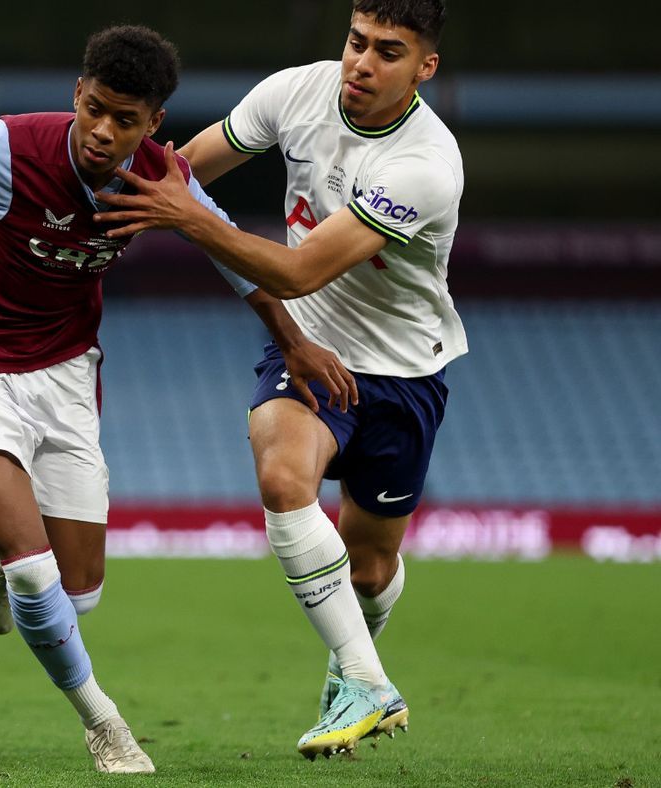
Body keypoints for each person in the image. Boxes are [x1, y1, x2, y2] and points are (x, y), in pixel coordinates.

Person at [0, 25, 350, 774]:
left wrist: (291, 340)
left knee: (77, 595)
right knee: (35, 573)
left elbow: (227, 251)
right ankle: (105, 723)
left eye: (125, 119)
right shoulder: (4, 149)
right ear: (76, 96)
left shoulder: (162, 180)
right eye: (94, 109)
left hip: (63, 371)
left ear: (154, 124)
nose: (102, 131)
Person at [93, 0, 461, 760]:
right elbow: (184, 168)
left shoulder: (425, 164)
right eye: (357, 41)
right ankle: (367, 680)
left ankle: (349, 669)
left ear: (425, 67)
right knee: (283, 475)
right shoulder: (296, 90)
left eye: (389, 52)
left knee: (369, 566)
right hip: (310, 348)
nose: (362, 62)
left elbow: (296, 269)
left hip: (403, 372)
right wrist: (112, 192)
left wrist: (186, 217)